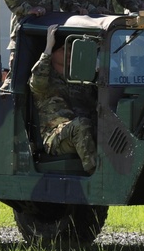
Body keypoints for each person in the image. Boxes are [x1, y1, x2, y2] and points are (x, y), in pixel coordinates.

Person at [29, 25, 97, 173]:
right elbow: (37, 82)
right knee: (82, 125)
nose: (68, 52)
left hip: (78, 132)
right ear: (52, 54)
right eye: (62, 49)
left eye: (71, 49)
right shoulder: (46, 80)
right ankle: (96, 175)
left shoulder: (79, 79)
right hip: (55, 137)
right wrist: (48, 47)